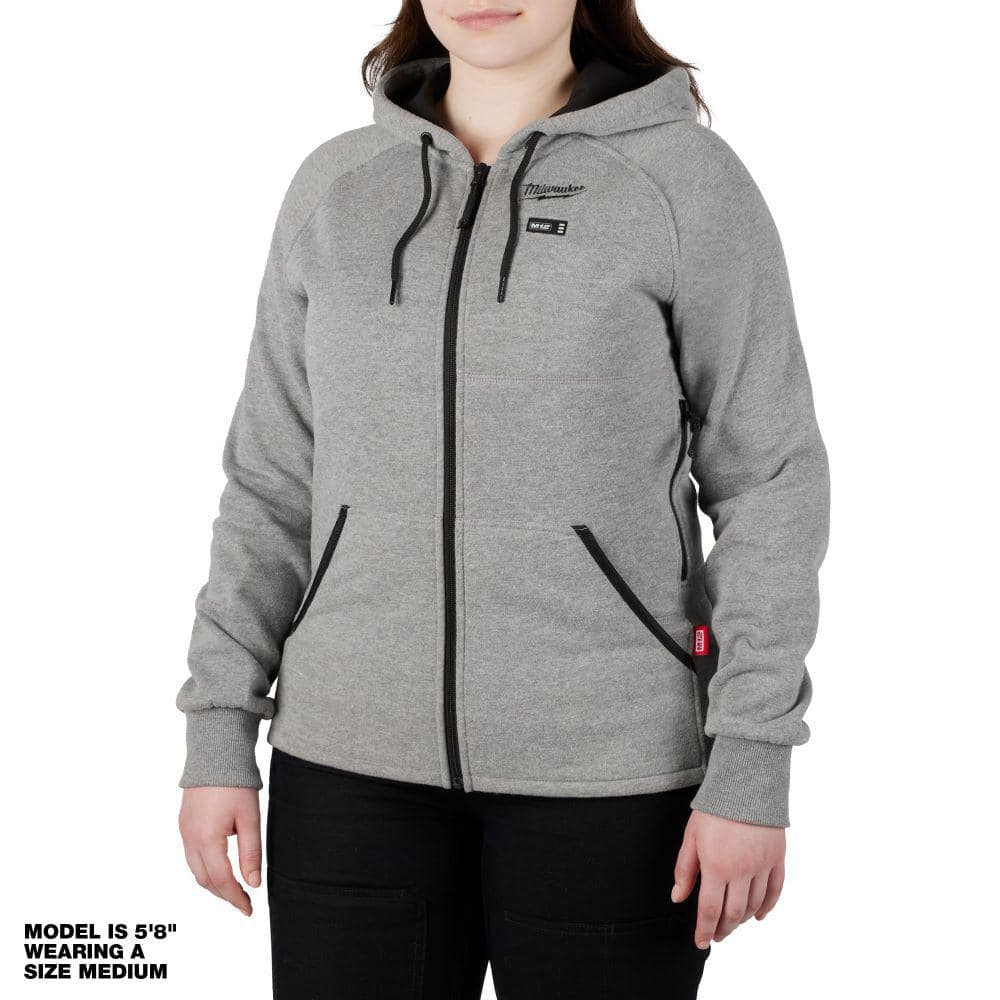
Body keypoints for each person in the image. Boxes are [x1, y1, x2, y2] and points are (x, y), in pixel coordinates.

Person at [176, 2, 830, 996]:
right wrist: (218, 731)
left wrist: (753, 760)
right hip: (346, 768)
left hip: (611, 777)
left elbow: (769, 477)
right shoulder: (337, 187)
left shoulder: (684, 182)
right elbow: (271, 479)